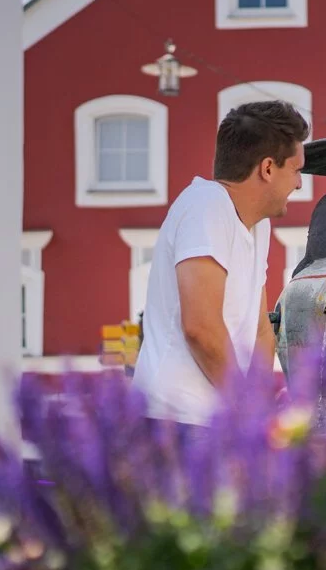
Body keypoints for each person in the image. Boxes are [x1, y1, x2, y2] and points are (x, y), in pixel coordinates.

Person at [131, 100, 309, 424]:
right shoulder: (206, 206)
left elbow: (259, 331)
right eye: (296, 170)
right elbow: (200, 327)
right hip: (174, 422)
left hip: (219, 423)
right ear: (268, 168)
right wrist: (247, 411)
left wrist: (257, 409)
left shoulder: (259, 225)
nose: (299, 183)